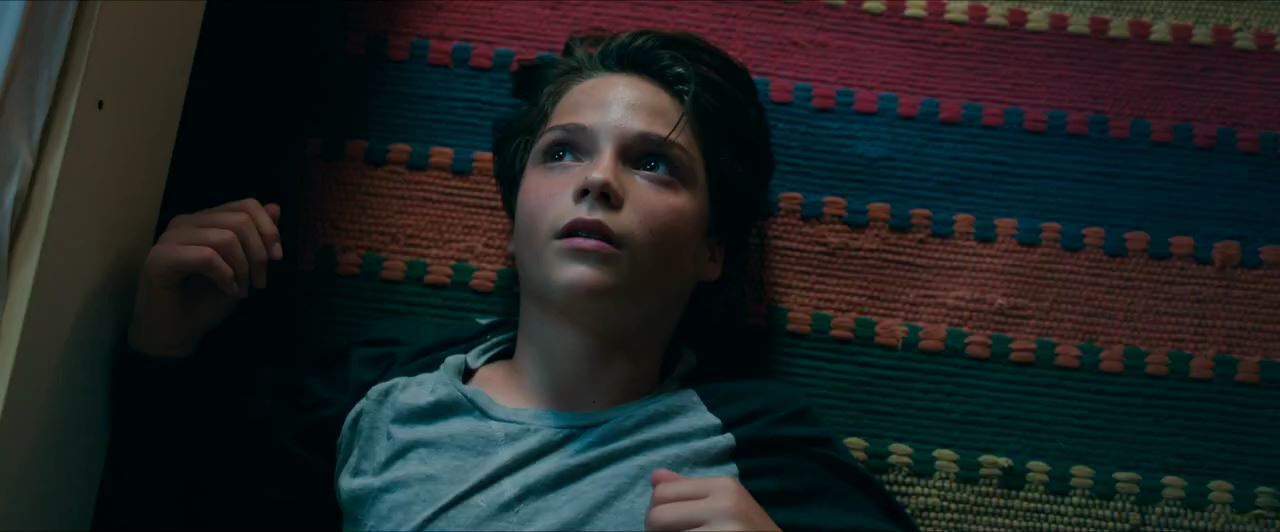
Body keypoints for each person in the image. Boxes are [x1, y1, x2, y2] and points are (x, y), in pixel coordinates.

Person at [122, 30, 916, 531]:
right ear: (511, 224)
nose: (597, 180)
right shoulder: (375, 400)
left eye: (652, 163)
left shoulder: (759, 448)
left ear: (713, 250)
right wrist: (163, 344)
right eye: (562, 151)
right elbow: (175, 496)